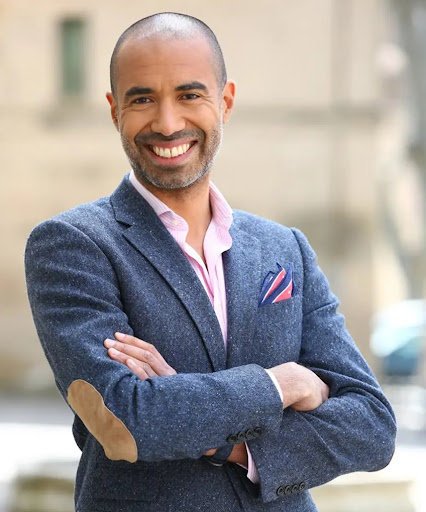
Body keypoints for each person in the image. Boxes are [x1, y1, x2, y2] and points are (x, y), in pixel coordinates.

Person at [25, 12, 396, 512]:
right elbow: (126, 422)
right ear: (114, 110)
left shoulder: (284, 248)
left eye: (189, 95)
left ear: (225, 101)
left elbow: (372, 426)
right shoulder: (72, 246)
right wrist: (282, 384)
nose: (167, 123)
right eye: (142, 99)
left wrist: (228, 444)